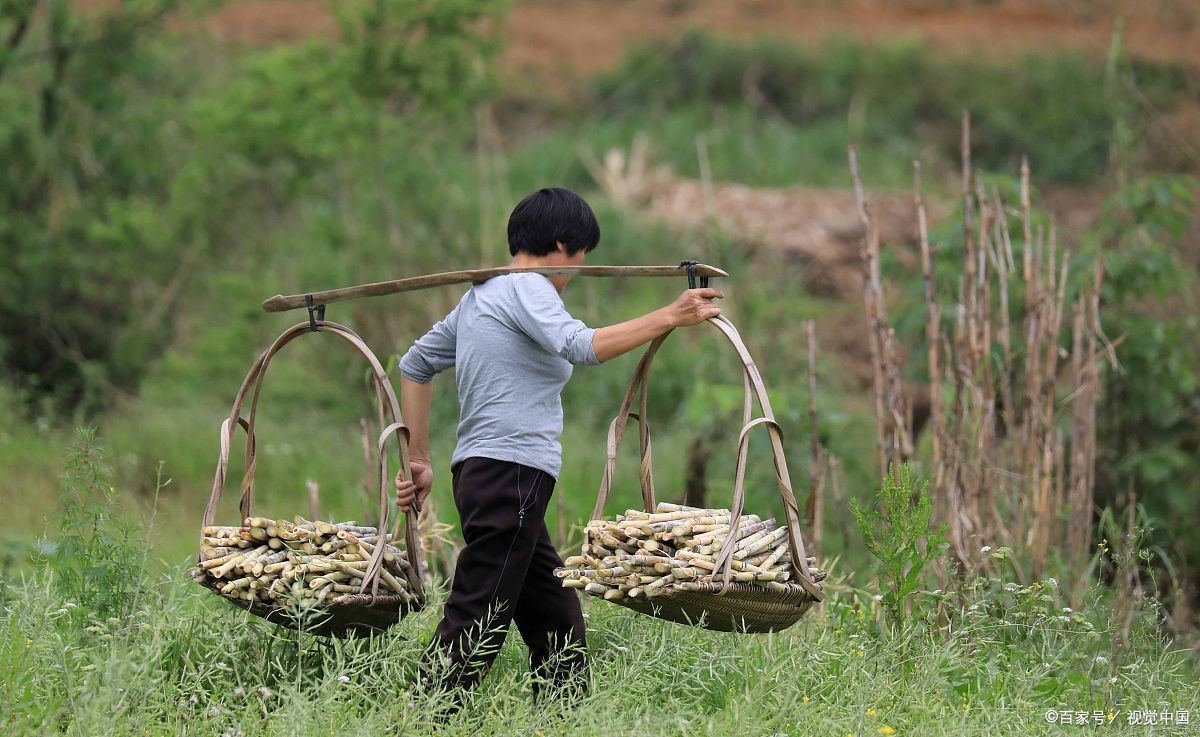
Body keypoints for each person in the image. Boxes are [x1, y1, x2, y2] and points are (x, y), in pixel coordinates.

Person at [394, 186, 722, 707]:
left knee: (554, 616)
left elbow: (414, 366)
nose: (575, 274)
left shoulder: (483, 294)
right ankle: (422, 716)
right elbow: (580, 345)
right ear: (562, 245)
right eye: (581, 259)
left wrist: (417, 461)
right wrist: (670, 316)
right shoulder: (529, 287)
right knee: (478, 614)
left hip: (486, 474)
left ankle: (561, 718)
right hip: (510, 474)